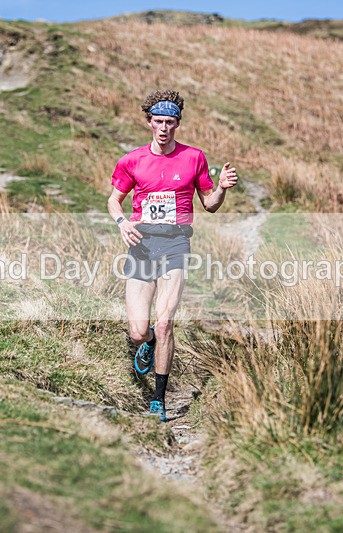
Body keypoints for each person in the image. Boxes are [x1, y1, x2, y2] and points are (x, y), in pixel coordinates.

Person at [107, 89, 238, 421]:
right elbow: (113, 200)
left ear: (177, 123)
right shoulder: (132, 160)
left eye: (170, 122)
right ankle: (147, 341)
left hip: (176, 246)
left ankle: (158, 399)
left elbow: (209, 205)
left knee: (165, 322)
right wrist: (122, 222)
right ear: (149, 122)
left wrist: (221, 187)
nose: (164, 128)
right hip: (141, 245)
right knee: (139, 331)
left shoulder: (193, 158)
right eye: (158, 122)